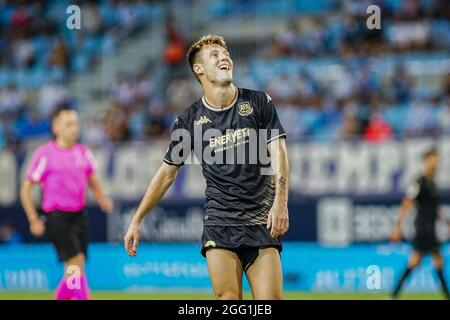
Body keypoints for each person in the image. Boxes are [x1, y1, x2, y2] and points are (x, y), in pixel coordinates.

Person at [124, 34, 290, 300]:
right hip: (219, 223)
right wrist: (136, 219)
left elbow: (279, 153)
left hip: (261, 222)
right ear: (198, 69)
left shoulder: (259, 102)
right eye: (214, 55)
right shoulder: (189, 120)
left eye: (225, 54)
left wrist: (280, 202)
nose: (224, 57)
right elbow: (167, 172)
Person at [20, 107, 113, 300]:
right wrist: (33, 219)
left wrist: (102, 197)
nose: (74, 129)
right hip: (57, 217)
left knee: (73, 270)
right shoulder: (45, 153)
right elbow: (26, 189)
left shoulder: (83, 152)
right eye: (69, 124)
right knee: (75, 262)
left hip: (79, 216)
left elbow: (92, 178)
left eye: (76, 124)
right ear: (56, 127)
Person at [390, 148, 450, 300]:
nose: (437, 162)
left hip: (431, 227)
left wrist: (446, 222)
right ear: (427, 160)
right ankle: (393, 295)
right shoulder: (419, 182)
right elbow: (407, 203)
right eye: (434, 159)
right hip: (423, 228)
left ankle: (394, 295)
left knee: (424, 261)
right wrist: (398, 226)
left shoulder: (432, 183)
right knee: (428, 261)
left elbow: (435, 208)